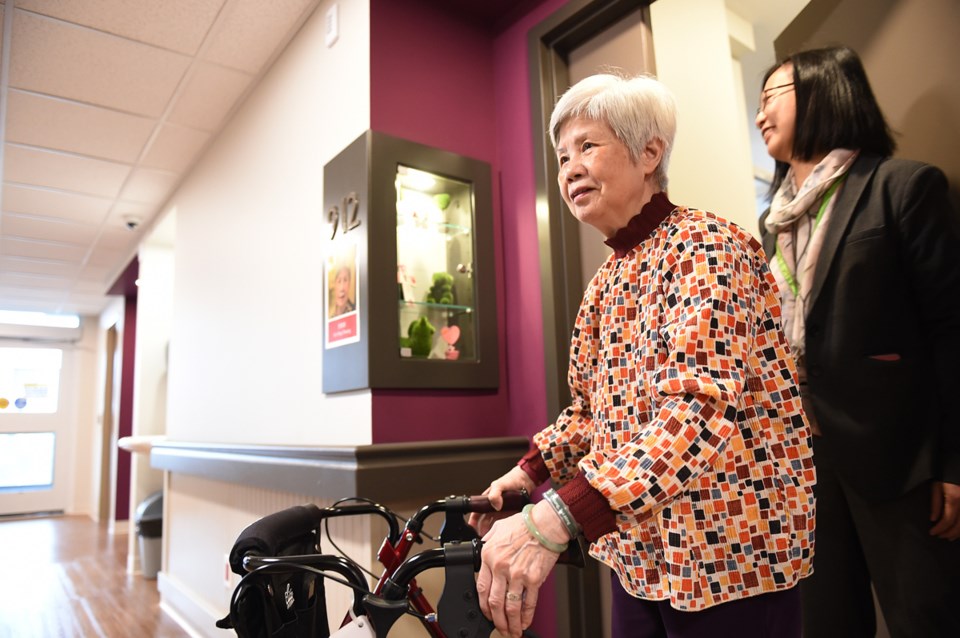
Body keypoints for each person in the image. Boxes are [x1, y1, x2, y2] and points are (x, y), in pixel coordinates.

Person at [468, 73, 816, 638]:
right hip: (639, 554)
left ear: (649, 152)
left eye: (587, 146)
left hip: (728, 557)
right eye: (562, 157)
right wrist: (526, 473)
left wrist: (560, 514)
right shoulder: (604, 284)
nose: (570, 168)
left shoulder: (707, 247)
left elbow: (697, 412)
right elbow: (588, 413)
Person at [754, 46, 960, 637]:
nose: (761, 114)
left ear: (824, 91)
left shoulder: (902, 188)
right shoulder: (773, 228)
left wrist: (954, 463)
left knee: (927, 619)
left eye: (773, 96)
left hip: (898, 460)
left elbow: (951, 332)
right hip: (805, 470)